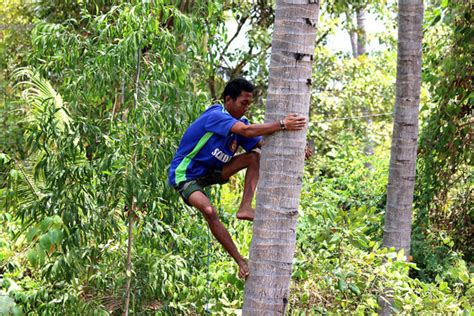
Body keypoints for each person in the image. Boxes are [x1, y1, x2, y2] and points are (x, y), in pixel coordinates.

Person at [168, 78, 306, 279]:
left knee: (253, 157)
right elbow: (247, 131)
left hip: (213, 172)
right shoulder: (216, 115)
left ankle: (245, 207)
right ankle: (240, 260)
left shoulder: (241, 124)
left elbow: (263, 145)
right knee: (209, 211)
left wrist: (297, 147)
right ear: (228, 100)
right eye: (243, 103)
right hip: (187, 175)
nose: (246, 108)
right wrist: (283, 124)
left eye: (249, 104)